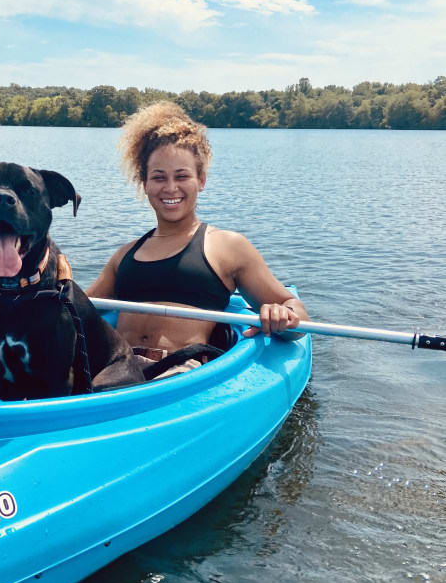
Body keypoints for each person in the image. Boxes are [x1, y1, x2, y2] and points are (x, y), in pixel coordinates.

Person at [87, 102, 306, 377]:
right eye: (159, 178)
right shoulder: (125, 255)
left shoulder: (227, 247)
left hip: (180, 371)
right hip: (118, 365)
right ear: (144, 183)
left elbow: (295, 311)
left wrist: (282, 315)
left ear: (200, 180)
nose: (170, 188)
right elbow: (77, 308)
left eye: (182, 176)